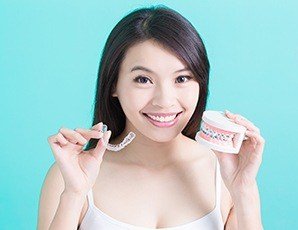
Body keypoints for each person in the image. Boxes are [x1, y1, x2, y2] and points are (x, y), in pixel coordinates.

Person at [37, 5, 265, 230]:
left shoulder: (225, 175)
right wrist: (74, 195)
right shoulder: (69, 176)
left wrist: (244, 192)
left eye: (182, 78)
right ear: (113, 84)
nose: (165, 101)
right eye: (143, 79)